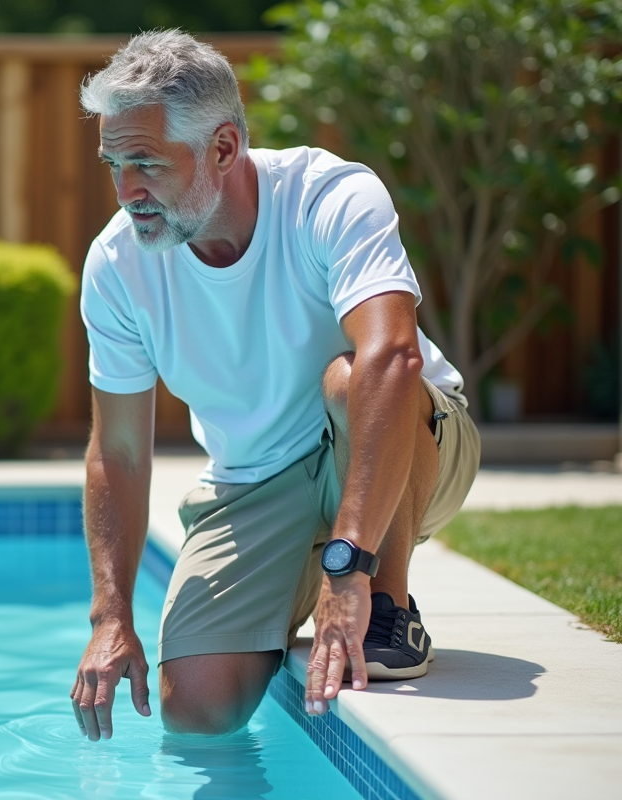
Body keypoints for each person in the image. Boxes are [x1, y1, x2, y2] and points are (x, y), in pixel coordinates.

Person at [69, 30, 481, 740]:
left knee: (351, 378)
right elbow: (120, 454)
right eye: (113, 164)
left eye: (145, 164)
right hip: (258, 479)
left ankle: (388, 605)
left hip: (405, 442)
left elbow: (395, 358)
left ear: (223, 148)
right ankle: (326, 565)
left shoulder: (331, 196)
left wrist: (348, 566)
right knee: (196, 708)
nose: (125, 191)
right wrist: (111, 617)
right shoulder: (116, 266)